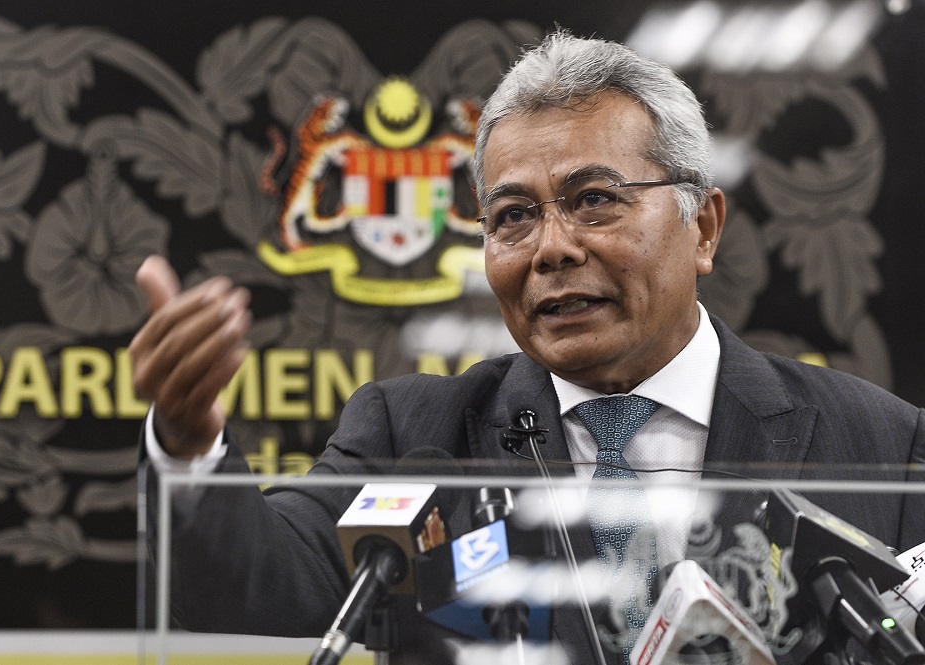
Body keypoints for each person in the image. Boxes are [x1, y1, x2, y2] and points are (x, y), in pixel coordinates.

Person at [131, 32, 925, 665]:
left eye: (594, 201)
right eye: (513, 215)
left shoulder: (884, 448)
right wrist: (188, 442)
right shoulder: (417, 434)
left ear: (705, 227)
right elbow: (246, 581)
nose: (550, 247)